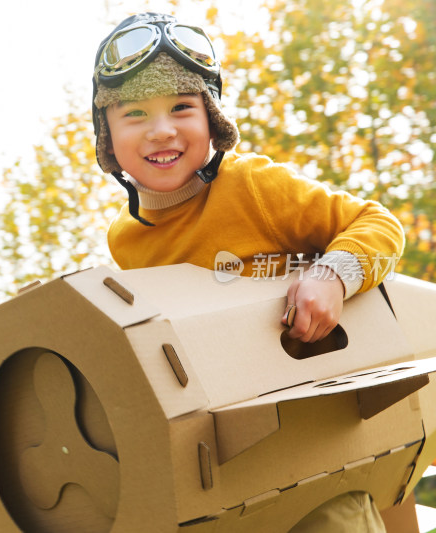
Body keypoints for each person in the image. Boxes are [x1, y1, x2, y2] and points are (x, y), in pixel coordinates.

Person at [92, 12, 402, 532]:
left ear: (212, 119)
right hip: (225, 470)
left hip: (319, 456)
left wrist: (333, 276)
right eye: (135, 113)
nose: (161, 129)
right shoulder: (125, 243)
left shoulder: (251, 185)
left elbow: (378, 224)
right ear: (108, 136)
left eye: (182, 108)